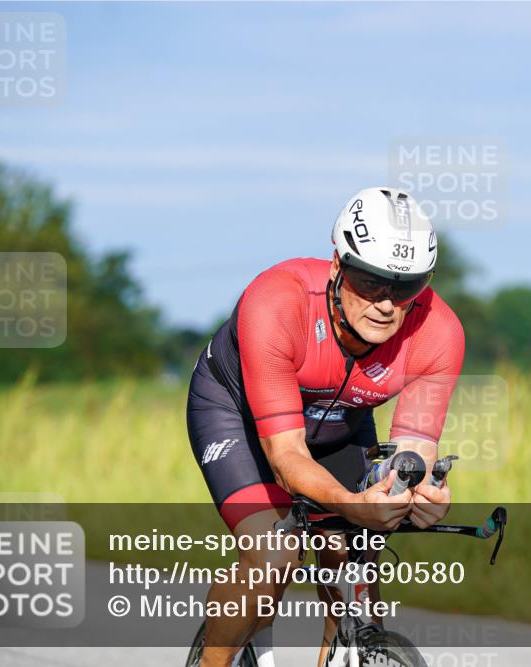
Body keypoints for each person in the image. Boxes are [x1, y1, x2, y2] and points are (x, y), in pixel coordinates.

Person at [186, 187, 465, 667]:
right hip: (240, 417)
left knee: (354, 568)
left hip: (341, 423)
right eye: (370, 281)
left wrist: (417, 491)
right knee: (274, 557)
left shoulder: (438, 332)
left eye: (405, 287)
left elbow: (412, 452)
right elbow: (287, 457)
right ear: (338, 266)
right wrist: (356, 504)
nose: (386, 303)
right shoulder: (277, 301)